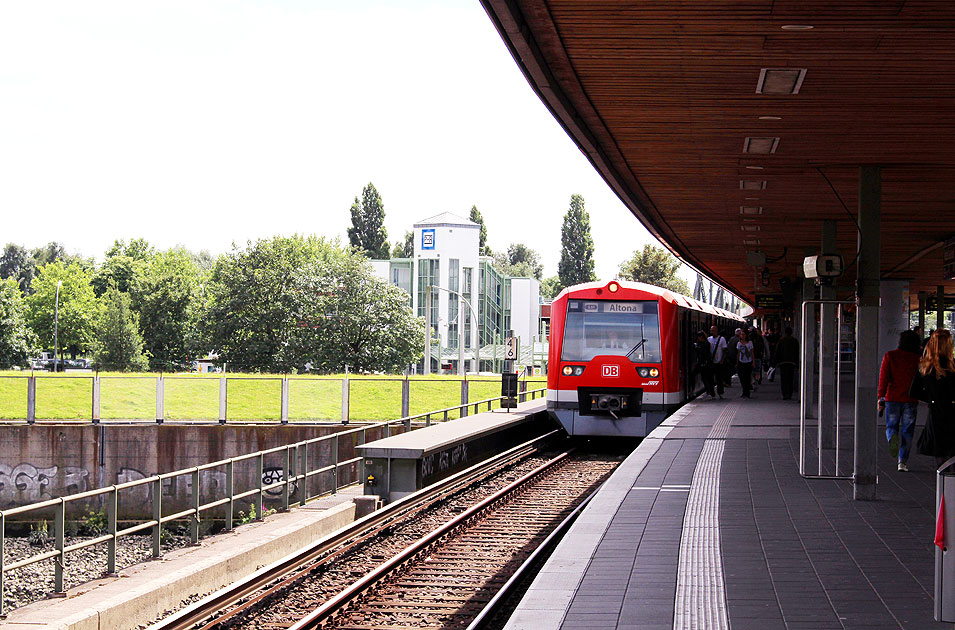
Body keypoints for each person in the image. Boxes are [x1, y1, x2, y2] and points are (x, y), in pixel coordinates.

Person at [910, 329, 955, 469]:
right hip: (953, 412)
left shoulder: (926, 367)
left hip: (936, 412)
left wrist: (932, 398)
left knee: (940, 452)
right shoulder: (953, 366)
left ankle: (943, 483)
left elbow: (913, 391)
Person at [878, 330, 921, 471]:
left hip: (892, 398)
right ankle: (902, 462)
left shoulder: (891, 356)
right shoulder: (918, 359)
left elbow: (884, 378)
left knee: (892, 426)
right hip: (911, 399)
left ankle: (892, 440)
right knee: (908, 431)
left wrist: (881, 397)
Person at [774, 327, 799, 400]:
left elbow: (777, 352)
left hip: (783, 363)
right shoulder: (795, 341)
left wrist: (775, 362)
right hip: (792, 363)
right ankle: (790, 393)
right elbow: (797, 352)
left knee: (784, 379)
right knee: (790, 378)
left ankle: (785, 394)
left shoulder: (781, 341)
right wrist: (797, 363)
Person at [694, 331, 716, 399]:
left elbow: (703, 353)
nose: (698, 339)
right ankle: (711, 393)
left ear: (701, 337)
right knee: (709, 379)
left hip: (704, 364)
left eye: (698, 337)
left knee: (706, 378)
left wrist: (696, 348)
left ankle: (709, 392)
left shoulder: (704, 344)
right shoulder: (707, 343)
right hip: (707, 364)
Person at [707, 326, 727, 399]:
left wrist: (722, 360)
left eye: (713, 330)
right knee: (711, 379)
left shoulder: (722, 339)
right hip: (711, 362)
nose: (712, 332)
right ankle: (712, 394)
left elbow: (724, 350)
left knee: (719, 379)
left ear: (717, 331)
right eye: (711, 330)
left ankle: (720, 393)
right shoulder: (709, 339)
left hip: (719, 362)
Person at [736, 329, 754, 398]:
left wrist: (753, 362)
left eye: (743, 334)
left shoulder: (750, 343)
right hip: (741, 362)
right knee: (742, 378)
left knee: (747, 377)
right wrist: (737, 362)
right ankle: (744, 391)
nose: (742, 336)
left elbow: (752, 352)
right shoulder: (739, 343)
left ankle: (747, 392)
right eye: (741, 334)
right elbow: (738, 353)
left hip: (748, 362)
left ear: (746, 335)